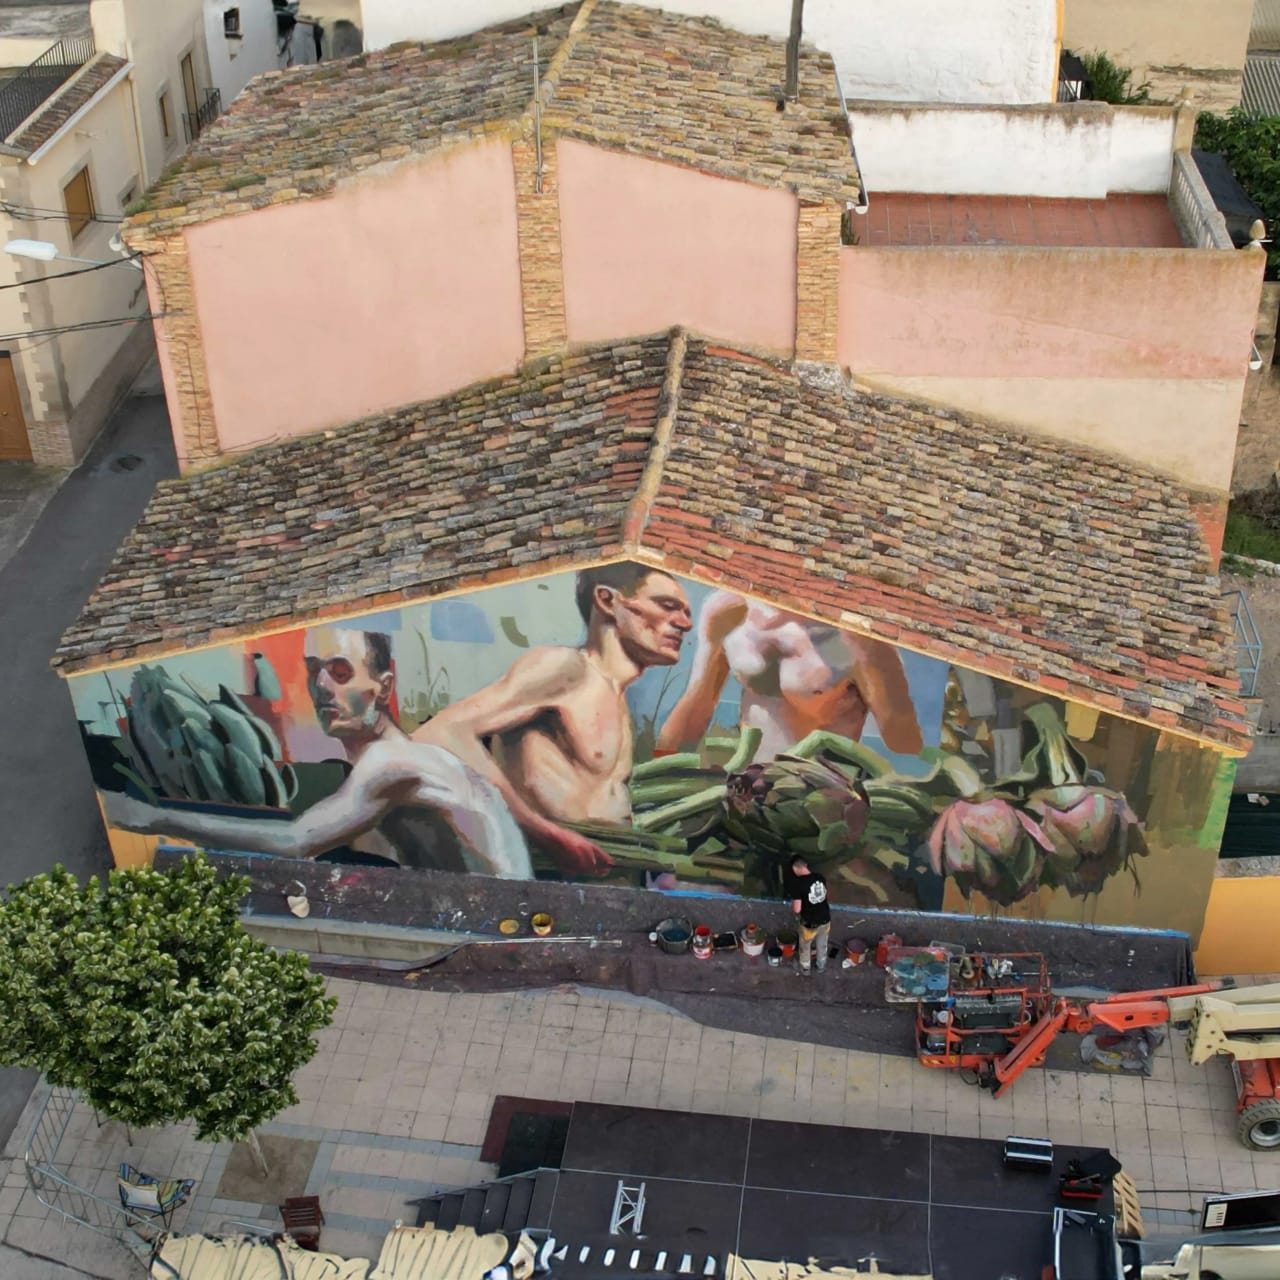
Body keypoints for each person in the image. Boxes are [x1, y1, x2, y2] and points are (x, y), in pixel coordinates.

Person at [102, 564, 693, 880]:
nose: (320, 687)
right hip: (538, 891)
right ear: (609, 602)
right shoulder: (399, 760)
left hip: (568, 884)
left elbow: (295, 841)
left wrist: (149, 815)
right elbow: (298, 838)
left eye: (338, 671)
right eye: (316, 672)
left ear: (384, 687)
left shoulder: (395, 762)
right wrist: (548, 832)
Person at [655, 592, 923, 763]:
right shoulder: (730, 610)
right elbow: (695, 709)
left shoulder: (857, 634)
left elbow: (906, 744)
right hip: (743, 791)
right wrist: (652, 779)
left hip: (821, 804)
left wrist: (874, 658)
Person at [786, 855, 830, 976]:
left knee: (805, 946)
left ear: (796, 868)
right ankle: (821, 966)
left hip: (810, 923)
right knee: (822, 943)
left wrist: (793, 903)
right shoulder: (821, 877)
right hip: (826, 919)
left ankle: (805, 969)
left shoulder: (798, 884)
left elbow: (797, 909)